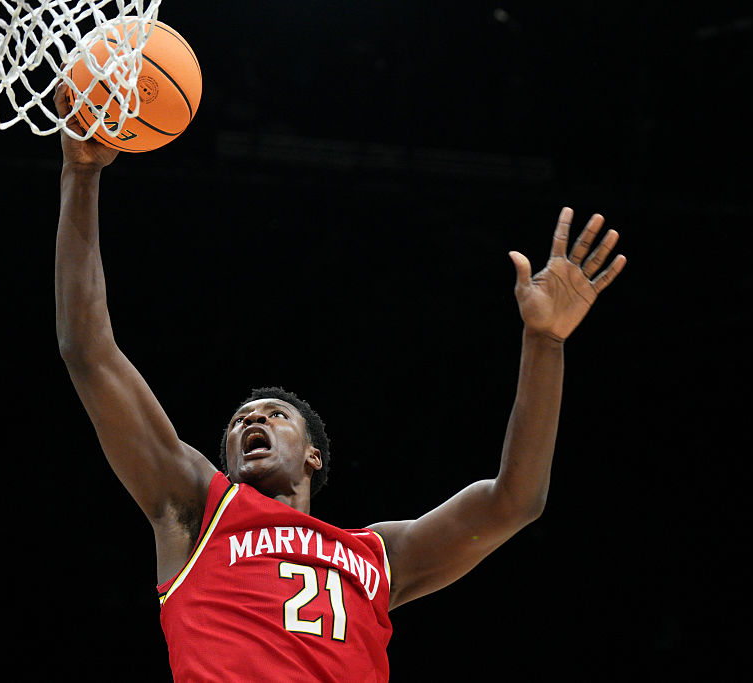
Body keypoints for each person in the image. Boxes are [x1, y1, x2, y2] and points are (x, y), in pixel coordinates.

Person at [53, 84, 626, 682]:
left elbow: (516, 501)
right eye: (239, 421)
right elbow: (88, 352)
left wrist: (545, 345)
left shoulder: (381, 557)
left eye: (275, 415)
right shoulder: (198, 509)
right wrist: (81, 175)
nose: (252, 420)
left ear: (313, 456)